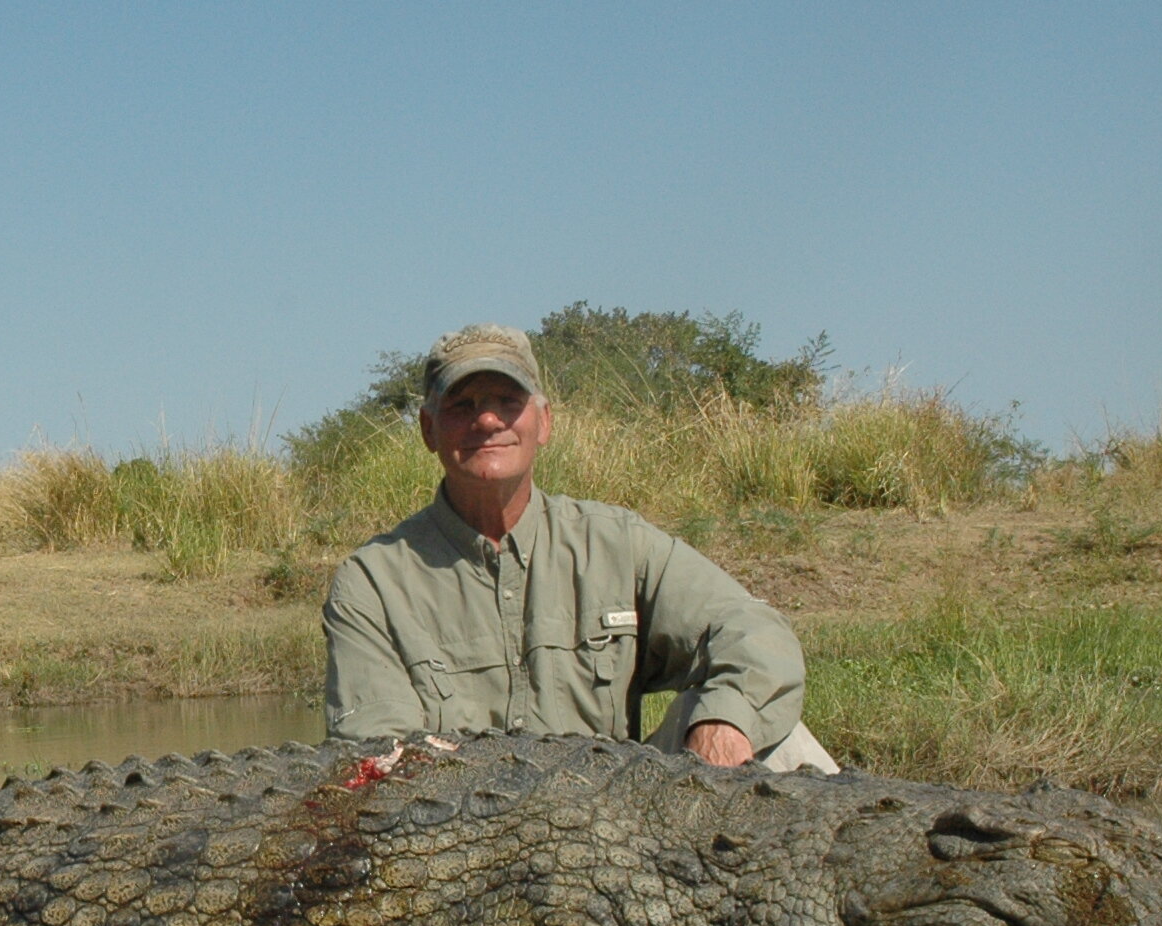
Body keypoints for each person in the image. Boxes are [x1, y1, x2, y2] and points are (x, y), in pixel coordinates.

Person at [323, 322, 837, 772]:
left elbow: (754, 631)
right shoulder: (372, 583)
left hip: (614, 827)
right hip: (463, 846)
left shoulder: (617, 543)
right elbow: (380, 762)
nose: (487, 421)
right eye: (463, 405)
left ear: (543, 422)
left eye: (507, 401)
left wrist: (725, 723)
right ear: (428, 430)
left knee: (781, 741)